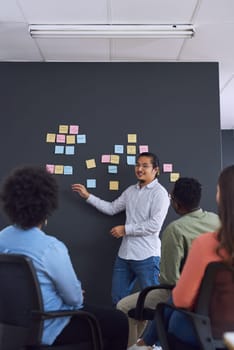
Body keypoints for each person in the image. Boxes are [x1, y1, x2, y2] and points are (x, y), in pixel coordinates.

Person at [0, 165, 128, 349]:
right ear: (46, 208)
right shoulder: (50, 247)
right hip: (49, 326)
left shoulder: (1, 238)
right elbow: (75, 300)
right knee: (118, 321)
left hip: (10, 328)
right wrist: (76, 294)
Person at [129, 164, 234, 349]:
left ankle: (143, 344)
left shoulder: (206, 242)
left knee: (169, 305)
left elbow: (180, 296)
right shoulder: (213, 222)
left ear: (223, 199)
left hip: (209, 331)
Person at [72, 152, 170, 305]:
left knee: (153, 301)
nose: (139, 169)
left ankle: (154, 329)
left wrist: (126, 229)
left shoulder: (160, 193)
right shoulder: (131, 191)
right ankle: (128, 329)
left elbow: (154, 225)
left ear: (155, 169)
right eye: (137, 165)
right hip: (125, 255)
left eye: (145, 166)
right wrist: (87, 196)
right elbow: (111, 208)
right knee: (118, 300)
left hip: (147, 256)